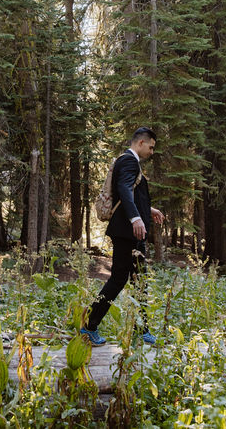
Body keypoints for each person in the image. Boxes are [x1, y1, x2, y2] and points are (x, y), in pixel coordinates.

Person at [80, 127, 165, 346]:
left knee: (139, 281)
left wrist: (149, 210)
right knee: (121, 279)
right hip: (128, 233)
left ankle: (141, 330)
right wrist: (136, 219)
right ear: (140, 143)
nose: (152, 152)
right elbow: (125, 189)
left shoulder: (127, 161)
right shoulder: (129, 161)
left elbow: (129, 194)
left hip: (129, 231)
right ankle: (89, 325)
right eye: (151, 147)